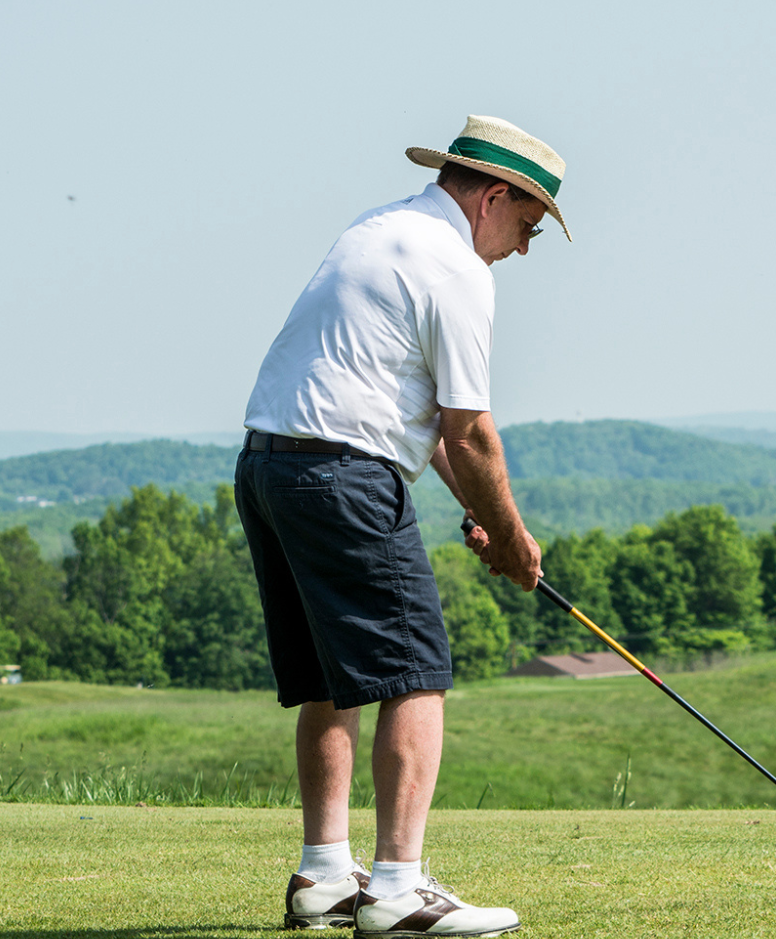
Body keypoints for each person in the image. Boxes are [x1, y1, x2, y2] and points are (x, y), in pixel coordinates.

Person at [237, 115, 567, 937]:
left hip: (270, 468)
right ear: (493, 197)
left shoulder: (380, 228)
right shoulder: (456, 267)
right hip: (344, 477)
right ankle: (396, 889)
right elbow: (471, 430)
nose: (523, 248)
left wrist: (480, 512)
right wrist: (516, 538)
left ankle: (323, 874)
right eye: (527, 226)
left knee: (331, 677)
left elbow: (415, 416)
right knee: (416, 673)